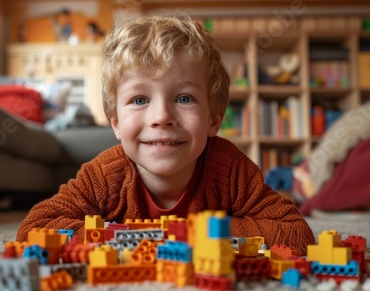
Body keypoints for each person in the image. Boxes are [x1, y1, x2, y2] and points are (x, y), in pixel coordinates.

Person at [17, 15, 315, 255]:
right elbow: (34, 228)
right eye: (140, 100)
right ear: (116, 123)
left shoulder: (230, 169)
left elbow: (297, 233)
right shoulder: (105, 176)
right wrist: (127, 238)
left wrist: (201, 234)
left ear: (214, 120)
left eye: (184, 98)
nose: (161, 117)